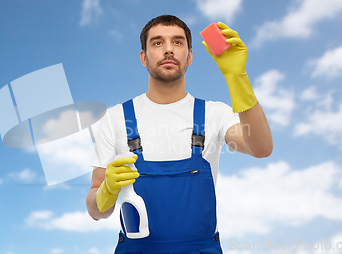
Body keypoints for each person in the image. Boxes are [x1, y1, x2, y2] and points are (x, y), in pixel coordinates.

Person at [86, 14, 273, 254]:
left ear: (190, 56)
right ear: (143, 57)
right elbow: (95, 211)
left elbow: (261, 148)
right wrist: (106, 192)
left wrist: (237, 77)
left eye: (177, 42)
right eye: (157, 43)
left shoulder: (213, 113)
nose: (168, 50)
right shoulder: (115, 118)